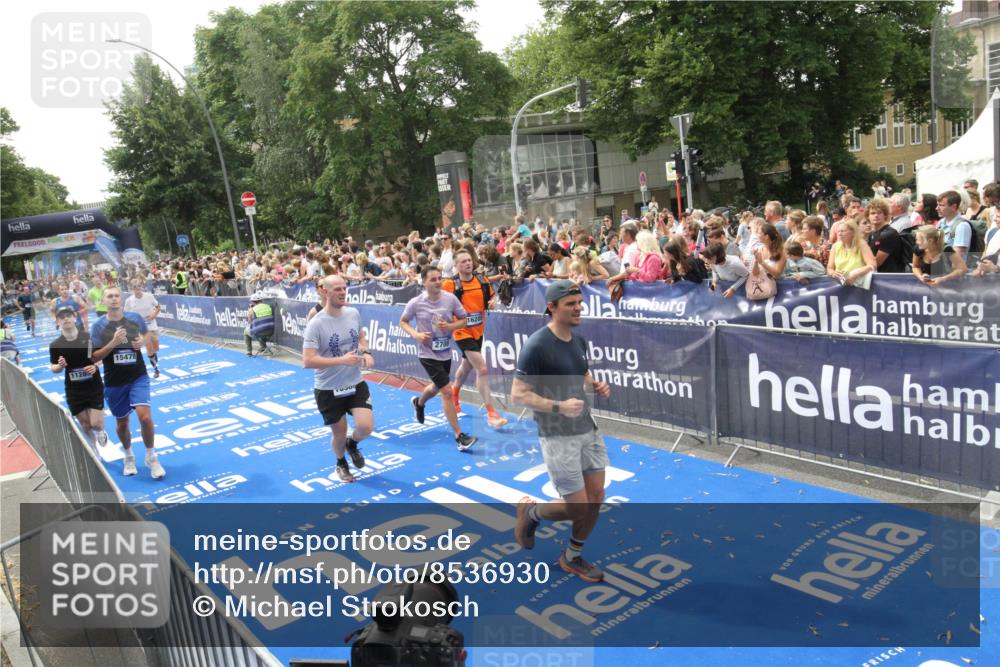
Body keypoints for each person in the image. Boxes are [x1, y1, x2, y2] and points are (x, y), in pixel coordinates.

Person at [512, 280, 612, 582]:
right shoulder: (537, 345)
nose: (578, 308)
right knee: (577, 507)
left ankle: (572, 557)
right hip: (557, 435)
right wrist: (557, 406)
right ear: (552, 307)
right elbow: (518, 394)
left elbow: (582, 374)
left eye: (579, 302)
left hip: (587, 428)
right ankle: (532, 513)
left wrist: (594, 385)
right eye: (570, 304)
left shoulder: (578, 341)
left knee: (596, 496)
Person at [302, 275, 374, 483]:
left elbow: (360, 336)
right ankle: (341, 462)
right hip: (328, 388)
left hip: (354, 381)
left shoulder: (353, 313)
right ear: (324, 292)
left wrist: (366, 352)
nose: (342, 293)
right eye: (337, 289)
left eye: (344, 288)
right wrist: (342, 360)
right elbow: (308, 361)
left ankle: (353, 444)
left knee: (365, 426)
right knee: (339, 433)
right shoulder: (316, 323)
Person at [400, 266, 477, 451]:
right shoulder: (416, 302)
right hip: (427, 354)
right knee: (447, 391)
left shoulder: (450, 298)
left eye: (439, 278)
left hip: (445, 352)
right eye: (433, 279)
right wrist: (416, 335)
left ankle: (419, 403)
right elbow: (403, 321)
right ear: (424, 282)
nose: (437, 282)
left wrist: (451, 326)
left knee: (436, 386)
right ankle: (459, 436)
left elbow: (464, 319)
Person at [90, 287, 164, 479]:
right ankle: (129, 455)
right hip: (115, 381)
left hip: (138, 375)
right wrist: (113, 343)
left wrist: (142, 341)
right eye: (110, 296)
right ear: (104, 301)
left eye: (117, 296)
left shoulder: (134, 318)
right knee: (122, 423)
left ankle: (151, 456)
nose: (114, 299)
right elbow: (93, 356)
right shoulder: (98, 326)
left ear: (121, 300)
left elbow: (149, 335)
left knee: (145, 417)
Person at [443, 250, 508, 429]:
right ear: (456, 265)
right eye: (462, 261)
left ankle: (455, 393)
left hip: (478, 331)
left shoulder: (481, 280)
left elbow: (492, 296)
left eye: (469, 260)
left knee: (466, 366)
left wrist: (493, 301)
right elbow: (439, 303)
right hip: (461, 332)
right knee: (482, 368)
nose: (467, 264)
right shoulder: (450, 284)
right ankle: (491, 413)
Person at [49, 306, 108, 449]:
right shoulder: (55, 345)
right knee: (85, 425)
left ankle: (100, 432)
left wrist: (95, 366)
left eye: (69, 316)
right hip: (74, 390)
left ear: (75, 318)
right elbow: (53, 367)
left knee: (96, 424)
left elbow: (102, 356)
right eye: (62, 317)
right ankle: (94, 452)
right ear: (58, 322)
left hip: (93, 386)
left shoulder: (88, 338)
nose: (66, 319)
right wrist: (60, 366)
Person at [124, 281, 162, 378]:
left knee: (156, 348)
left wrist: (154, 314)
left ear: (141, 287)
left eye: (138, 286)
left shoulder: (149, 296)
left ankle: (153, 355)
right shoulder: (129, 301)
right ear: (131, 289)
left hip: (152, 325)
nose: (137, 289)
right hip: (140, 328)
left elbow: (158, 307)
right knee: (148, 347)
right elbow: (125, 315)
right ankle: (156, 369)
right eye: (134, 287)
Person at [826, 219, 877, 287]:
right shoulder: (835, 246)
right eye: (838, 231)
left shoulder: (861, 244)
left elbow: (872, 265)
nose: (839, 234)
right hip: (841, 286)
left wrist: (856, 274)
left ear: (852, 232)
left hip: (860, 286)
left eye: (843, 231)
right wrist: (833, 273)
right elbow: (829, 268)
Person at [866, 198, 906, 273]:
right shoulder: (872, 233)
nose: (876, 216)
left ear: (885, 215)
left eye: (879, 213)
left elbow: (877, 263)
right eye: (873, 213)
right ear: (868, 216)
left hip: (889, 278)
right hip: (877, 275)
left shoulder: (889, 234)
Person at [936, 190, 973, 261]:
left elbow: (958, 255)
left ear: (953, 207)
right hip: (940, 267)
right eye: (937, 205)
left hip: (953, 270)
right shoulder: (940, 223)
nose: (937, 208)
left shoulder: (962, 226)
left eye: (941, 205)